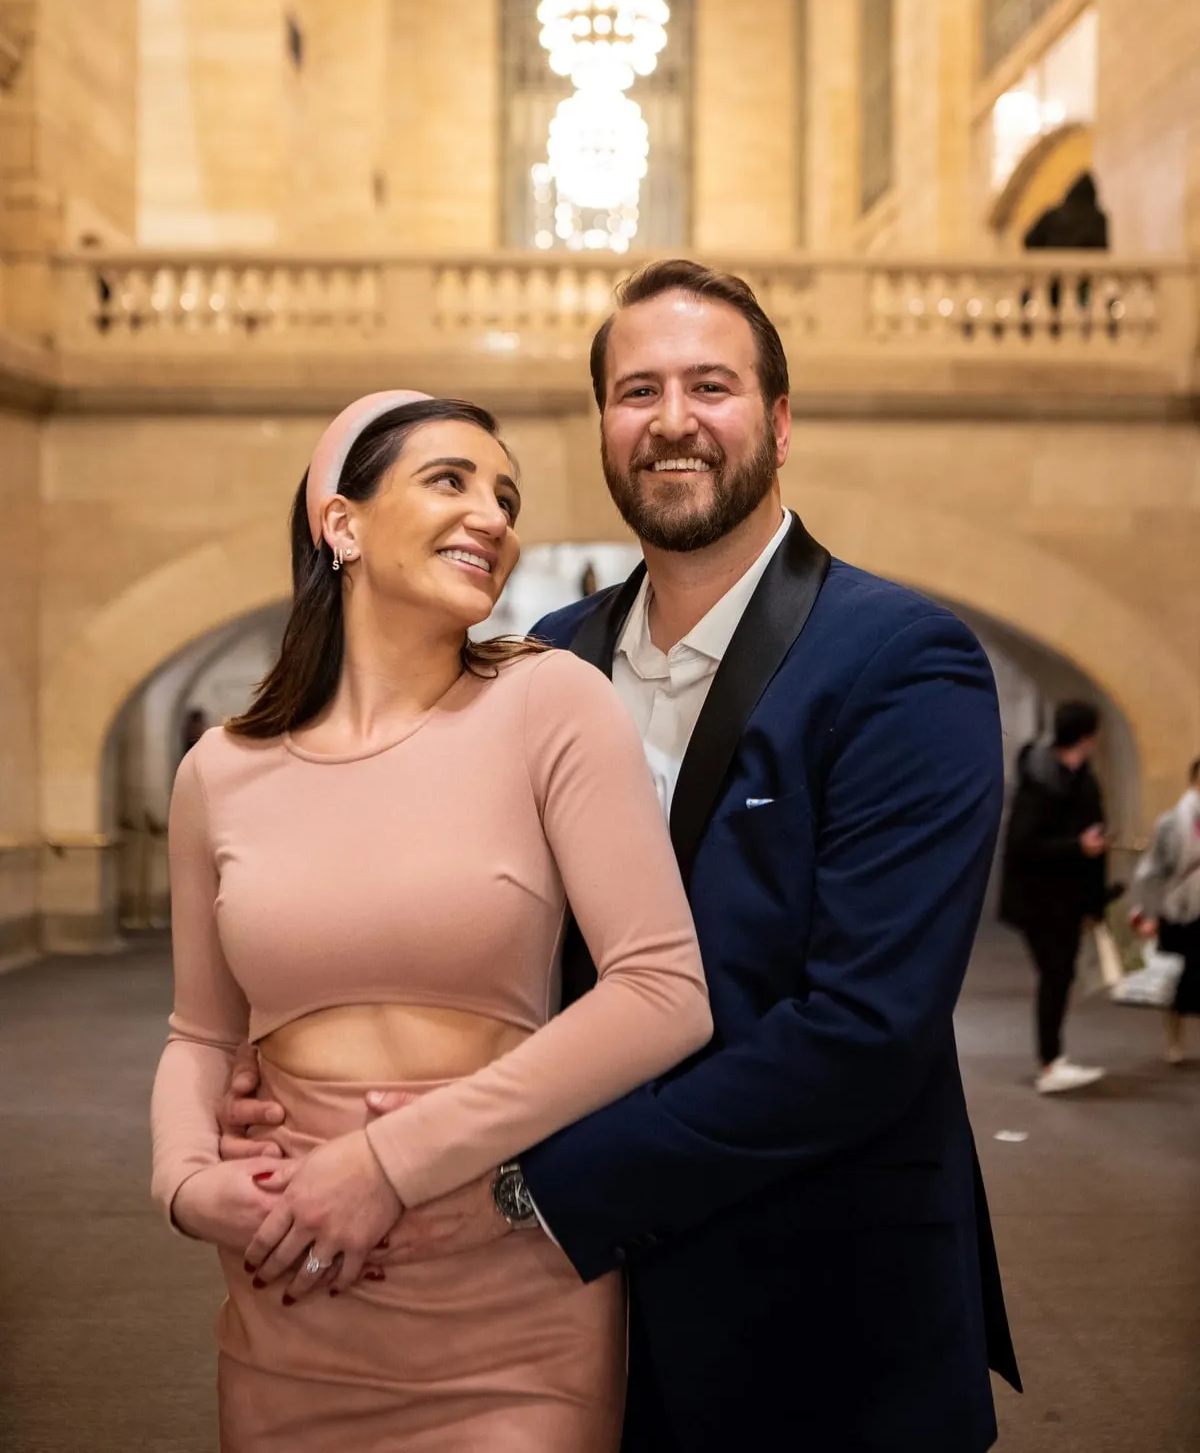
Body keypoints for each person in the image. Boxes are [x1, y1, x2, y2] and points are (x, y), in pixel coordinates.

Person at [223, 260, 1020, 1453]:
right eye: (636, 391)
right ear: (603, 424)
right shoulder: (543, 658)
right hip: (559, 1321)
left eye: (712, 386)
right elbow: (467, 923)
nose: (673, 421)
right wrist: (297, 1063)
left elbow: (862, 1032)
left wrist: (532, 1185)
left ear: (780, 422)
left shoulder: (903, 661)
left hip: (815, 1312)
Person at [150, 389, 711, 1451]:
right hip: (292, 1272)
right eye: (450, 481)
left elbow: (662, 994)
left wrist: (387, 1162)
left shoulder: (552, 703)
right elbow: (202, 1034)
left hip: (501, 1268)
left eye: (506, 495)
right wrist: (186, 1185)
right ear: (341, 521)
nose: (495, 517)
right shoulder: (218, 771)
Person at [1000, 699, 1111, 1093]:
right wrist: (1077, 845)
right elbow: (1023, 844)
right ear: (1085, 736)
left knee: (1059, 976)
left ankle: (1052, 1058)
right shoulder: (1043, 783)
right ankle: (1050, 1063)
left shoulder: (1079, 778)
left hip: (1066, 898)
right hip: (1042, 901)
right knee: (1056, 976)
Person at [1130, 757, 1200, 1063]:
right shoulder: (1171, 822)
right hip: (1178, 907)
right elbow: (1152, 870)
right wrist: (1147, 912)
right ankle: (1175, 1040)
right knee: (1175, 976)